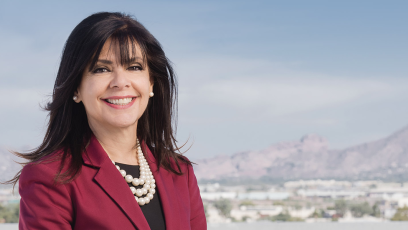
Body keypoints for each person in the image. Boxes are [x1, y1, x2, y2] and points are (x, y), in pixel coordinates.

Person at [9, 12, 206, 230]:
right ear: (76, 88)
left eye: (134, 67)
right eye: (101, 69)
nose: (120, 83)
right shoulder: (50, 179)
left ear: (151, 84)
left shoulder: (180, 172)